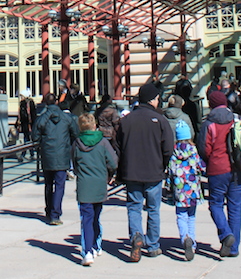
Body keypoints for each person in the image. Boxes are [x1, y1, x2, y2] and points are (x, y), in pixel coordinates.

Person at [117, 81, 174, 260]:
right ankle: (153, 244)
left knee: (134, 206)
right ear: (152, 100)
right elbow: (168, 147)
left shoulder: (126, 121)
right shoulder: (160, 120)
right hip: (154, 171)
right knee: (153, 209)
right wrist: (162, 164)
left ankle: (136, 236)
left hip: (132, 171)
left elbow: (117, 147)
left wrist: (121, 169)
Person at [197, 88, 241, 257]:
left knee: (215, 204)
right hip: (238, 170)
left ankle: (226, 234)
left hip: (217, 169)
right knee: (235, 208)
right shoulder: (237, 120)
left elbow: (204, 149)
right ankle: (234, 248)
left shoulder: (208, 124)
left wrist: (210, 160)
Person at [72, 112, 117, 266]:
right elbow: (113, 162)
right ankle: (96, 245)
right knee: (96, 217)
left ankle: (87, 251)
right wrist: (110, 173)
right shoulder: (103, 142)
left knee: (86, 219)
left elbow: (75, 164)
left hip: (84, 185)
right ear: (94, 125)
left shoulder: (77, 143)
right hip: (99, 184)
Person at [34, 91, 79, 225]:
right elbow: (75, 133)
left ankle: (49, 210)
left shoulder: (42, 119)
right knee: (60, 185)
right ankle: (56, 213)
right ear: (56, 102)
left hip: (48, 155)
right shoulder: (66, 118)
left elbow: (35, 137)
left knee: (48, 184)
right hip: (62, 154)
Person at [168, 118, 205, 260]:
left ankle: (185, 239)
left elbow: (170, 170)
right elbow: (201, 166)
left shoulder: (174, 152)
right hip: (193, 189)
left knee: (181, 216)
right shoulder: (193, 150)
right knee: (192, 217)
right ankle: (193, 243)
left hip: (179, 190)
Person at [18, 88, 37, 157]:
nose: (21, 98)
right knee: (27, 138)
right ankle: (30, 153)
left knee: (27, 139)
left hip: (28, 124)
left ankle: (24, 153)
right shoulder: (22, 104)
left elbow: (32, 114)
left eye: (22, 96)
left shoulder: (29, 103)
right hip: (25, 124)